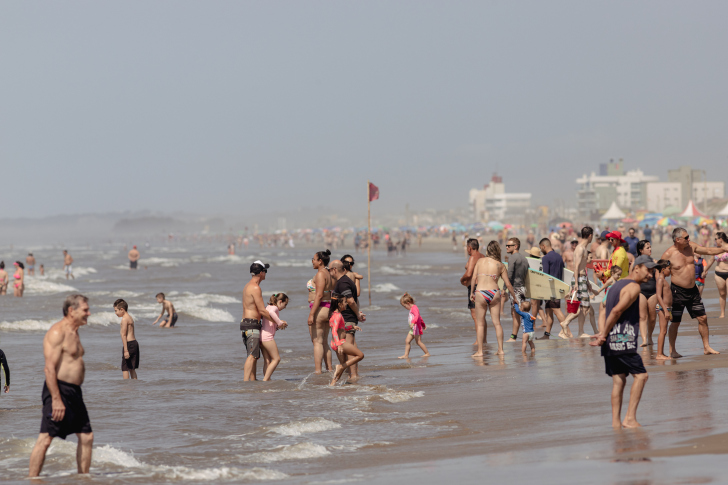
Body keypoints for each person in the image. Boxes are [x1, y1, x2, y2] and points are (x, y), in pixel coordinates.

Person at [28, 295, 93, 477]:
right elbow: (49, 369)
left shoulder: (75, 331)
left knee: (87, 436)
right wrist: (56, 399)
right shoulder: (58, 332)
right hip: (58, 389)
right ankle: (32, 479)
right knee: (46, 439)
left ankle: (83, 478)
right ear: (72, 311)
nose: (89, 313)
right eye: (85, 310)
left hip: (74, 392)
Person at [590, 256, 656, 429]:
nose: (650, 275)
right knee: (641, 376)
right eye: (648, 270)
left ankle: (616, 424)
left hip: (610, 341)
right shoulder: (633, 286)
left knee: (619, 380)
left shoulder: (614, 286)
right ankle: (630, 418)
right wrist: (603, 334)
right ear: (637, 268)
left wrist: (603, 333)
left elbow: (604, 309)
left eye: (652, 271)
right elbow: (617, 311)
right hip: (622, 339)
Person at [660, 227, 726, 356]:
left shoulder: (691, 247)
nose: (688, 239)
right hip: (677, 292)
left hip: (693, 290)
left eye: (688, 236)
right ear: (677, 239)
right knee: (675, 321)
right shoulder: (668, 254)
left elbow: (708, 250)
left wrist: (724, 249)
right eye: (686, 238)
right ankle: (672, 350)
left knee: (703, 318)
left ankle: (706, 347)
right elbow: (661, 274)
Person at [471, 241, 518, 356]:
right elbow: (508, 284)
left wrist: (471, 293)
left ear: (488, 250)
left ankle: (480, 351)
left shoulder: (480, 261)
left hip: (481, 292)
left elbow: (473, 278)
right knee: (497, 323)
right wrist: (514, 297)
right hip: (494, 293)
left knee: (481, 323)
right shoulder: (500, 265)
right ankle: (501, 350)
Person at [329, 260, 365, 380]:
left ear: (334, 269)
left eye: (329, 270)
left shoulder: (343, 283)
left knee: (349, 349)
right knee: (347, 349)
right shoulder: (343, 281)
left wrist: (357, 314)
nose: (329, 272)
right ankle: (348, 375)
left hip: (347, 318)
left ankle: (352, 376)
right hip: (347, 319)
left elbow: (350, 301)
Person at [241, 261, 273, 381]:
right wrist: (276, 322)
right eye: (265, 271)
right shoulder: (255, 288)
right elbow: (262, 311)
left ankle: (252, 381)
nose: (266, 273)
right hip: (251, 325)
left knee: (252, 355)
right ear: (261, 273)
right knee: (252, 356)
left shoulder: (247, 286)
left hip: (245, 324)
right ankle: (245, 383)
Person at [307, 250, 333, 374]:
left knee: (317, 342)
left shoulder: (320, 274)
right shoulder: (329, 273)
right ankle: (330, 370)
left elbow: (319, 295)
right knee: (325, 342)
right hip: (328, 308)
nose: (312, 261)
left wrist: (312, 314)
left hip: (320, 309)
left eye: (314, 259)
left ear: (320, 261)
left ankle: (318, 372)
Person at [329, 297, 364, 386]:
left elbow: (342, 328)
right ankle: (341, 367)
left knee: (342, 366)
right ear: (339, 304)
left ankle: (332, 384)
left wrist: (352, 327)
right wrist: (339, 345)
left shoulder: (334, 314)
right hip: (340, 342)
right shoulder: (338, 315)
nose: (346, 304)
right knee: (360, 355)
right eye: (345, 302)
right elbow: (334, 331)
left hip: (334, 343)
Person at [570, 227, 597, 338]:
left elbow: (582, 267)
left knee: (585, 307)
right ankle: (580, 332)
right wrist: (576, 283)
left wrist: (588, 282)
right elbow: (576, 267)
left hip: (582, 279)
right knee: (584, 307)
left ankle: (581, 331)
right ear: (590, 235)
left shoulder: (584, 248)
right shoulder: (580, 248)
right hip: (579, 279)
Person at [538, 239, 566, 340]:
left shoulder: (546, 258)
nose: (540, 249)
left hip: (550, 289)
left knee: (556, 310)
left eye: (540, 247)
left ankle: (568, 332)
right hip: (558, 288)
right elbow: (563, 271)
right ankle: (547, 334)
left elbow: (545, 275)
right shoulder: (559, 256)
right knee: (549, 311)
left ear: (544, 246)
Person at [461, 239, 486, 345]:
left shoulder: (473, 257)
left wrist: (462, 280)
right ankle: (483, 339)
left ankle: (478, 340)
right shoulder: (483, 256)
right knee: (482, 315)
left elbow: (468, 273)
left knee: (475, 315)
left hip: (474, 287)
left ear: (469, 247)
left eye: (467, 247)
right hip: (483, 286)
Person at [260, 292, 289, 381]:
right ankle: (265, 380)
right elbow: (272, 313)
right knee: (276, 359)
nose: (285, 307)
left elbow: (269, 323)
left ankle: (267, 380)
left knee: (267, 360)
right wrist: (279, 323)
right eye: (285, 304)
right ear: (280, 302)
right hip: (267, 337)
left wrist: (278, 325)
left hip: (261, 335)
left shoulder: (267, 307)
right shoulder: (274, 308)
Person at [635, 240, 658, 347]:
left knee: (652, 317)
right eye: (647, 248)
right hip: (641, 292)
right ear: (641, 250)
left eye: (650, 247)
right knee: (642, 316)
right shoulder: (637, 263)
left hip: (653, 292)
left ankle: (649, 336)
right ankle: (644, 339)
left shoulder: (654, 262)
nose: (650, 249)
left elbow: (659, 278)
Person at [505, 237, 528, 342]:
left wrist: (505, 289)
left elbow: (508, 275)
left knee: (515, 313)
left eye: (509, 245)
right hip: (523, 288)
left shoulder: (512, 258)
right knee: (520, 312)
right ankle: (525, 333)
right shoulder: (524, 259)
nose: (506, 247)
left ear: (516, 246)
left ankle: (513, 337)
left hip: (515, 288)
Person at [398, 293, 430, 358]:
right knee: (407, 341)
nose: (405, 308)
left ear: (408, 303)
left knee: (418, 342)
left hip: (416, 328)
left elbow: (417, 316)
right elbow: (420, 317)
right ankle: (406, 355)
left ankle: (427, 353)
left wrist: (413, 323)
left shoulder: (414, 308)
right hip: (412, 329)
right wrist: (423, 324)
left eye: (404, 306)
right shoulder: (412, 308)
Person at [704, 232, 728, 318]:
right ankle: (722, 313)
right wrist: (705, 270)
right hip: (718, 274)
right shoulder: (716, 249)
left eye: (715, 239)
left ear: (720, 239)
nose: (715, 240)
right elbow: (711, 261)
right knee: (722, 294)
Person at [113, 299, 139, 379]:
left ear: (122, 309)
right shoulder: (129, 317)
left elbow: (124, 335)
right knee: (131, 368)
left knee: (125, 368)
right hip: (134, 343)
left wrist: (126, 350)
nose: (115, 313)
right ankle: (134, 386)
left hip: (129, 344)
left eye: (116, 311)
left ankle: (126, 389)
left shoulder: (124, 319)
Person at [655, 261, 675, 360]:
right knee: (662, 331)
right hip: (663, 308)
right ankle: (659, 354)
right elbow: (658, 296)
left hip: (666, 308)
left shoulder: (664, 280)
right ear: (663, 269)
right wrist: (665, 310)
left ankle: (661, 353)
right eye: (669, 269)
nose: (670, 271)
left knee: (664, 330)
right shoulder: (660, 280)